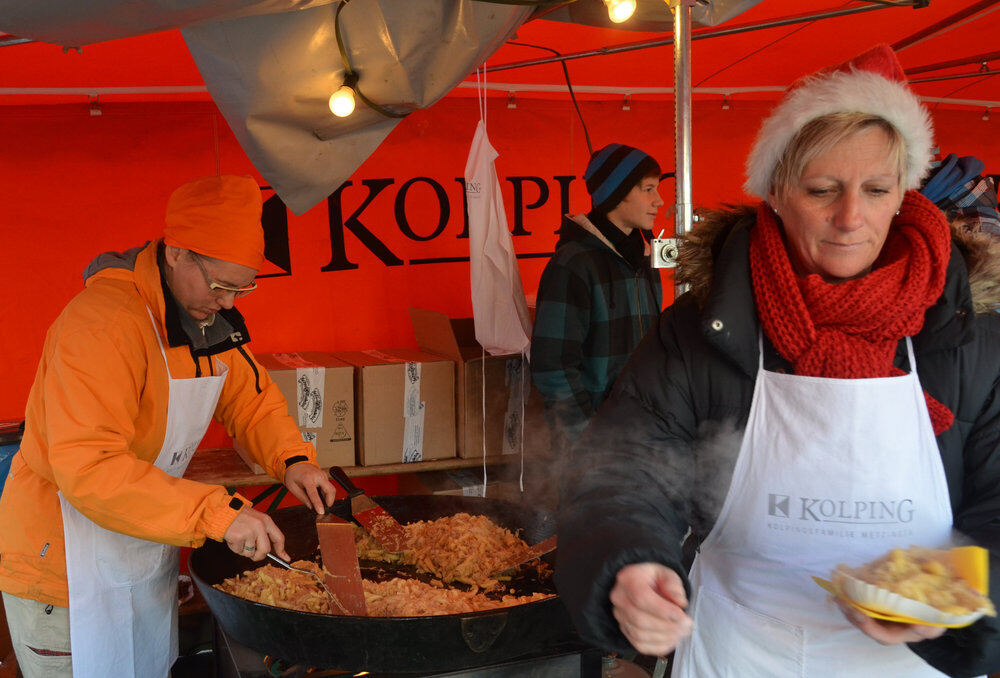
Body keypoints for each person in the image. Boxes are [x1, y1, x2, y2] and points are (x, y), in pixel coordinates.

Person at [555, 44, 1000, 677]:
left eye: (876, 190)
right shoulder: (701, 331)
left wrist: (968, 587)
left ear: (903, 194)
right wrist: (627, 564)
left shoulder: (970, 335)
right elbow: (621, 474)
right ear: (778, 192)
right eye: (822, 190)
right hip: (740, 652)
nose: (850, 218)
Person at [0, 175, 337, 678]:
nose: (229, 303)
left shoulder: (201, 318)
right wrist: (217, 513)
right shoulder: (103, 326)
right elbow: (90, 467)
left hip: (141, 546)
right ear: (177, 252)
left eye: (243, 288)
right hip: (62, 573)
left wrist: (293, 460)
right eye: (221, 286)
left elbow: (249, 399)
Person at [530, 143, 664, 459]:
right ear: (617, 194)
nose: (659, 200)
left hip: (642, 440)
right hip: (590, 451)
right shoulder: (573, 264)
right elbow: (553, 367)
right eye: (648, 189)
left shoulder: (646, 259)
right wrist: (588, 441)